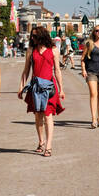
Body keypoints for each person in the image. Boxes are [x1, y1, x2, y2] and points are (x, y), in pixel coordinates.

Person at [20, 25, 65, 156]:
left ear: (42, 36)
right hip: (35, 87)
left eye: (35, 36)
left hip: (49, 87)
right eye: (31, 36)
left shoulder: (54, 50)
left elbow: (57, 70)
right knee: (38, 115)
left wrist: (61, 89)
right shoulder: (31, 50)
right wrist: (21, 87)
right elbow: (26, 71)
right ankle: (41, 141)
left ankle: (49, 145)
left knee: (47, 114)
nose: (32, 38)